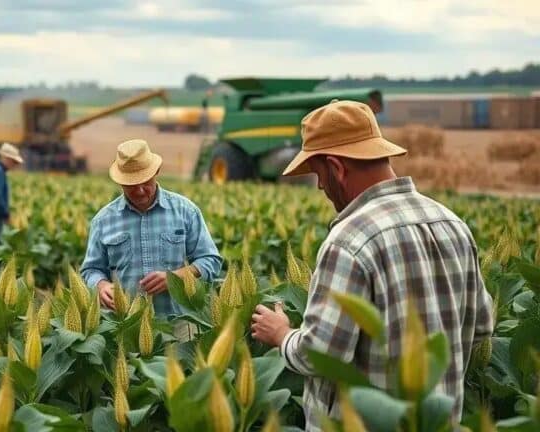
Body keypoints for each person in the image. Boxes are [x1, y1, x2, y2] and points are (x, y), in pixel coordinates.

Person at [250, 100, 493, 431]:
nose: (320, 187)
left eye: (319, 175)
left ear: (337, 168)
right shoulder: (452, 223)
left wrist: (281, 334)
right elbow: (481, 327)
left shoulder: (349, 240)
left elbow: (321, 355)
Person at [81, 139, 222, 340]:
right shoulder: (103, 220)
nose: (139, 191)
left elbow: (211, 261)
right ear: (120, 182)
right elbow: (91, 270)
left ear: (156, 172)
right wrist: (101, 285)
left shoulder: (185, 211)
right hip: (126, 327)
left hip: (179, 325)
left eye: (145, 182)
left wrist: (174, 278)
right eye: (131, 185)